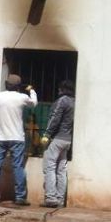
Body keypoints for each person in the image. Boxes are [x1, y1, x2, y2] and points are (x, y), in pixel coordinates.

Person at [0, 74, 37, 206]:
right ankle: (20, 197)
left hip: (0, 138)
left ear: (6, 84)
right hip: (17, 138)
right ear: (18, 87)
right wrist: (32, 90)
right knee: (18, 166)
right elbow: (34, 103)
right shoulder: (22, 97)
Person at [40, 80, 75, 208]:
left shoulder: (63, 101)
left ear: (62, 89)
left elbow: (55, 118)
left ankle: (50, 198)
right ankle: (60, 199)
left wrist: (47, 134)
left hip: (57, 138)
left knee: (49, 167)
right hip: (67, 140)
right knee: (61, 170)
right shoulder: (74, 101)